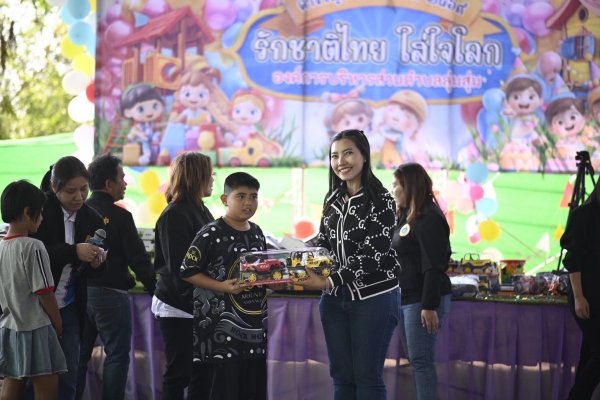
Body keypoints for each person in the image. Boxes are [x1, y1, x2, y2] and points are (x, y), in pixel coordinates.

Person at [296, 129, 401, 400]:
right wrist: (294, 254)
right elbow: (324, 243)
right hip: (334, 299)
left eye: (348, 153)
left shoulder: (382, 200)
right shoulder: (332, 198)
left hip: (374, 297)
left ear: (364, 156)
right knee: (342, 378)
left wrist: (329, 280)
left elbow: (372, 255)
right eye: (334, 155)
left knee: (367, 378)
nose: (340, 161)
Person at [180, 172, 284, 399]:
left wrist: (274, 282)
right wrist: (223, 287)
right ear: (225, 199)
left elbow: (260, 272)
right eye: (241, 196)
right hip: (220, 332)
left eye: (253, 196)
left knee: (253, 389)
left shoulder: (257, 232)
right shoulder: (211, 232)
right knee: (225, 390)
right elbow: (187, 271)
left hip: (254, 330)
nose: (248, 202)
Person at [24, 156, 107, 400]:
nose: (79, 197)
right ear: (54, 186)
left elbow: (93, 271)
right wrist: (74, 251)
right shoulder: (38, 212)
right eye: (71, 191)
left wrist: (96, 263)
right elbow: (31, 254)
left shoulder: (92, 218)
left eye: (84, 189)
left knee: (69, 373)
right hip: (35, 304)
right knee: (32, 377)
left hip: (70, 305)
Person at [75, 154, 156, 400]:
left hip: (79, 294)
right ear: (109, 184)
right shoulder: (120, 216)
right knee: (117, 356)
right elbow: (138, 259)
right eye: (122, 178)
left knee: (79, 355)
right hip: (112, 294)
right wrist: (156, 289)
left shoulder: (77, 212)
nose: (126, 183)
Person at [152, 152, 215, 400]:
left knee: (203, 373)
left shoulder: (201, 209)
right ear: (196, 177)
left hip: (199, 304)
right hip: (178, 306)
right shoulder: (174, 214)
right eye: (209, 174)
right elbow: (181, 269)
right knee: (180, 373)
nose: (213, 179)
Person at [0, 180, 67, 400]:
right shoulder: (33, 246)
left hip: (10, 328)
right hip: (37, 328)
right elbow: (45, 292)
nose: (42, 218)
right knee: (47, 391)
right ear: (28, 212)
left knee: (11, 387)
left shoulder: (1, 247)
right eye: (40, 212)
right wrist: (58, 324)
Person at [390, 163, 452, 400]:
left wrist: (428, 305)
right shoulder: (407, 215)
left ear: (410, 186)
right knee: (417, 360)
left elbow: (433, 265)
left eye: (396, 185)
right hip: (406, 298)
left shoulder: (430, 218)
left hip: (422, 301)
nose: (393, 190)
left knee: (421, 362)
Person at [561, 178, 600, 400]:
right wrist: (579, 297)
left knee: (590, 354)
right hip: (586, 294)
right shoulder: (584, 214)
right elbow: (573, 260)